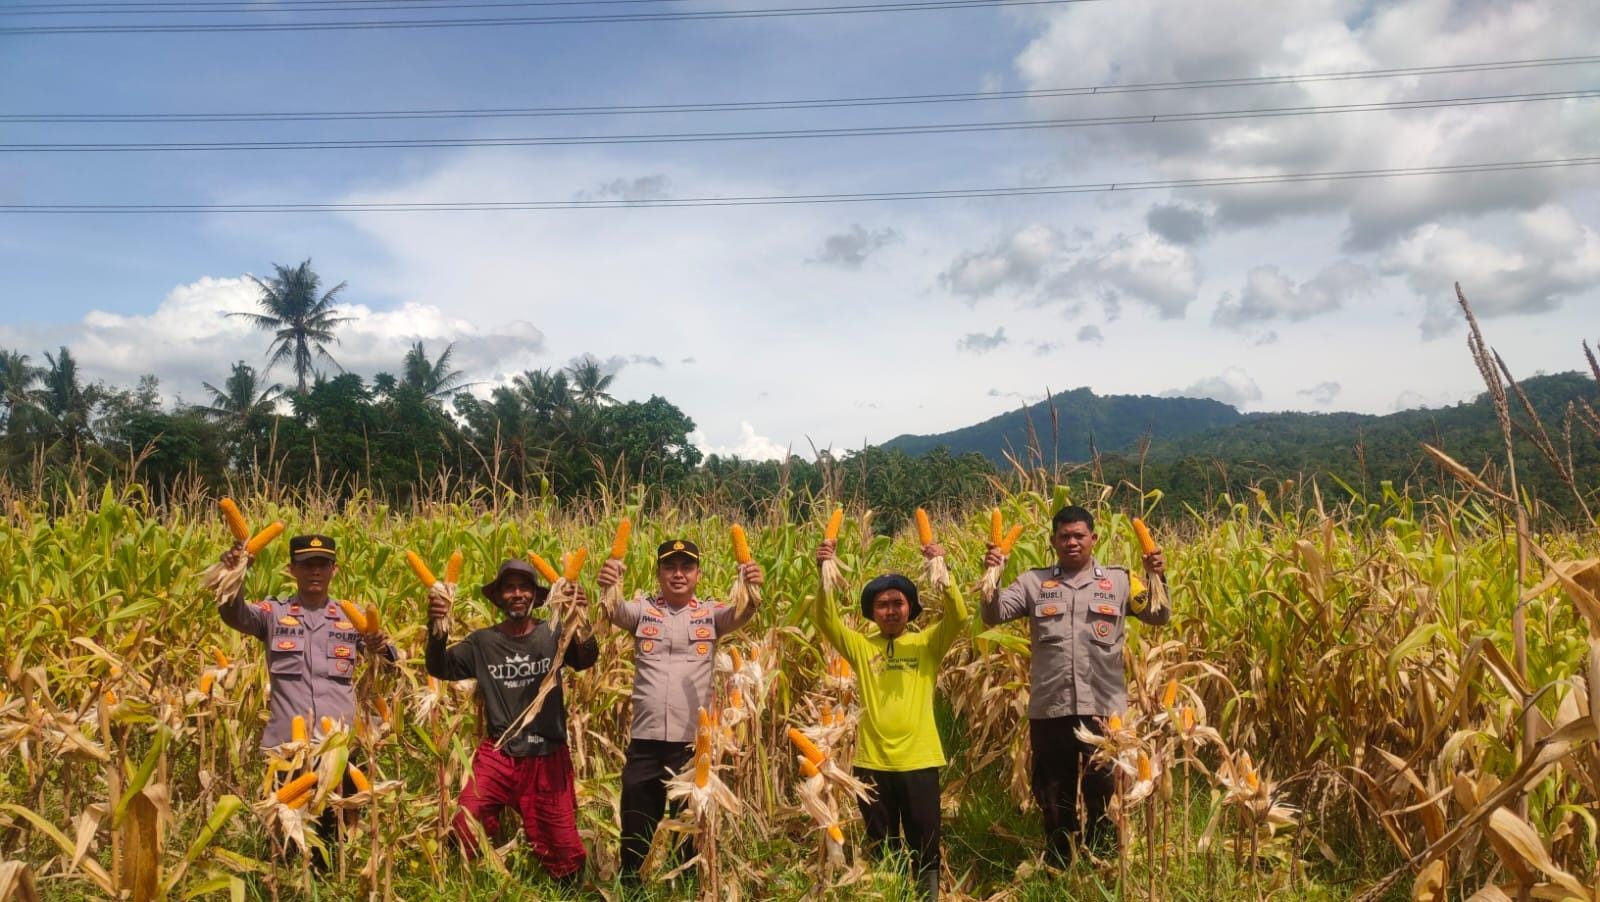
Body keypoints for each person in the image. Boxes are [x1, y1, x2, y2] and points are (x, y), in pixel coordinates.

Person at [980, 505, 1168, 865]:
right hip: (1051, 707)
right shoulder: (1033, 583)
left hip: (1104, 710)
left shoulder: (1120, 582)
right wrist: (993, 574)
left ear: (1093, 538)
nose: (1072, 542)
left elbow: (1158, 616)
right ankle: (1058, 862)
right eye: (1064, 536)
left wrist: (1156, 576)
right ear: (1052, 541)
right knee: (1053, 792)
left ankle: (1103, 862)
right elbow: (994, 614)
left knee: (1104, 790)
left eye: (1079, 535)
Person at [216, 533, 396, 864]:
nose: (315, 571)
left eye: (322, 564)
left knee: (335, 848)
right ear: (292, 570)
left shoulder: (351, 617)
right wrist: (235, 573)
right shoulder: (273, 613)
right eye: (306, 564)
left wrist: (379, 646)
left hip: (339, 750)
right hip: (287, 749)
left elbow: (390, 662)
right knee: (286, 846)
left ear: (334, 570)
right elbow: (234, 614)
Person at [595, 539, 765, 880]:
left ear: (698, 574)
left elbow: (742, 612)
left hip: (691, 745)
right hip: (645, 741)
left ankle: (686, 885)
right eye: (669, 567)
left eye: (686, 567)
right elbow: (615, 610)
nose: (678, 574)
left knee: (688, 825)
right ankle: (632, 885)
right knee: (636, 821)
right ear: (658, 573)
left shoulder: (711, 615)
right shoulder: (642, 611)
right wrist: (609, 583)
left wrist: (752, 586)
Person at [810, 538, 968, 900]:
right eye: (882, 605)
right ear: (872, 612)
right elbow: (825, 619)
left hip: (920, 760)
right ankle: (889, 893)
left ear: (911, 608)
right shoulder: (861, 647)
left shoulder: (927, 644)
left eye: (898, 603)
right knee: (881, 843)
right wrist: (825, 571)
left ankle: (926, 896)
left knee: (925, 841)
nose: (891, 611)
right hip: (872, 762)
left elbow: (959, 616)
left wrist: (942, 570)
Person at [425, 559, 600, 882]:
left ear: (535, 594)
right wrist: (437, 627)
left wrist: (580, 616)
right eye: (509, 588)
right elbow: (440, 668)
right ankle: (479, 877)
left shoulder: (553, 633)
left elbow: (586, 658)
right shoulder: (482, 642)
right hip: (499, 752)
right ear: (499, 597)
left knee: (565, 854)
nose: (517, 594)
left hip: (547, 755)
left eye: (524, 587)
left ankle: (565, 889)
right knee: (466, 821)